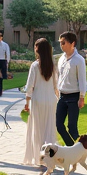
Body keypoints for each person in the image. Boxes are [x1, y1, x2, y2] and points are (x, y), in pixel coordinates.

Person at [22, 37, 60, 166]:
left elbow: (29, 86)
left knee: (38, 129)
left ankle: (40, 156)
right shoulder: (53, 65)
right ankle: (49, 157)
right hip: (50, 100)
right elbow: (56, 86)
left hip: (38, 100)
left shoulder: (35, 65)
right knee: (49, 128)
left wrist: (27, 103)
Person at [56, 31, 87, 146]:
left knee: (72, 128)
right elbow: (58, 77)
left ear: (72, 43)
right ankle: (72, 148)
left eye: (63, 42)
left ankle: (80, 150)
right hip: (62, 96)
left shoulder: (79, 60)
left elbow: (82, 80)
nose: (61, 45)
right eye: (60, 43)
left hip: (74, 97)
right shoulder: (61, 59)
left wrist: (82, 97)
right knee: (59, 125)